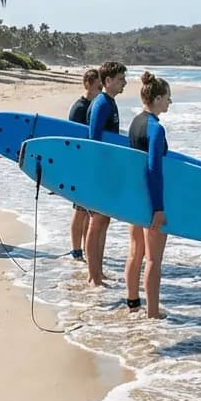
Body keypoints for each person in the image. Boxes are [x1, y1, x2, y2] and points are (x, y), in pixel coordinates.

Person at [124, 72, 171, 319]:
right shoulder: (155, 127)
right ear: (158, 98)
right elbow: (154, 168)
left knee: (135, 252)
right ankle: (152, 314)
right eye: (167, 99)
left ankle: (132, 303)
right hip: (149, 201)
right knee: (153, 259)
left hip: (135, 198)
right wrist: (159, 208)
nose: (169, 103)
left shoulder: (135, 123)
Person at [85, 60, 128, 287]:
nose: (124, 83)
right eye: (120, 79)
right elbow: (94, 141)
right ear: (108, 81)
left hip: (106, 171)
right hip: (99, 172)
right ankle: (93, 275)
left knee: (104, 221)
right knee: (97, 221)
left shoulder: (109, 102)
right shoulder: (102, 103)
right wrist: (100, 173)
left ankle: (98, 271)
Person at [67, 68, 101, 260]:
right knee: (80, 211)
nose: (100, 89)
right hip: (79, 165)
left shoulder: (92, 106)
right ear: (87, 84)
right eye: (97, 85)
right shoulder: (80, 108)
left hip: (86, 165)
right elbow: (72, 139)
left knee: (89, 211)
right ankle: (76, 250)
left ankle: (87, 248)